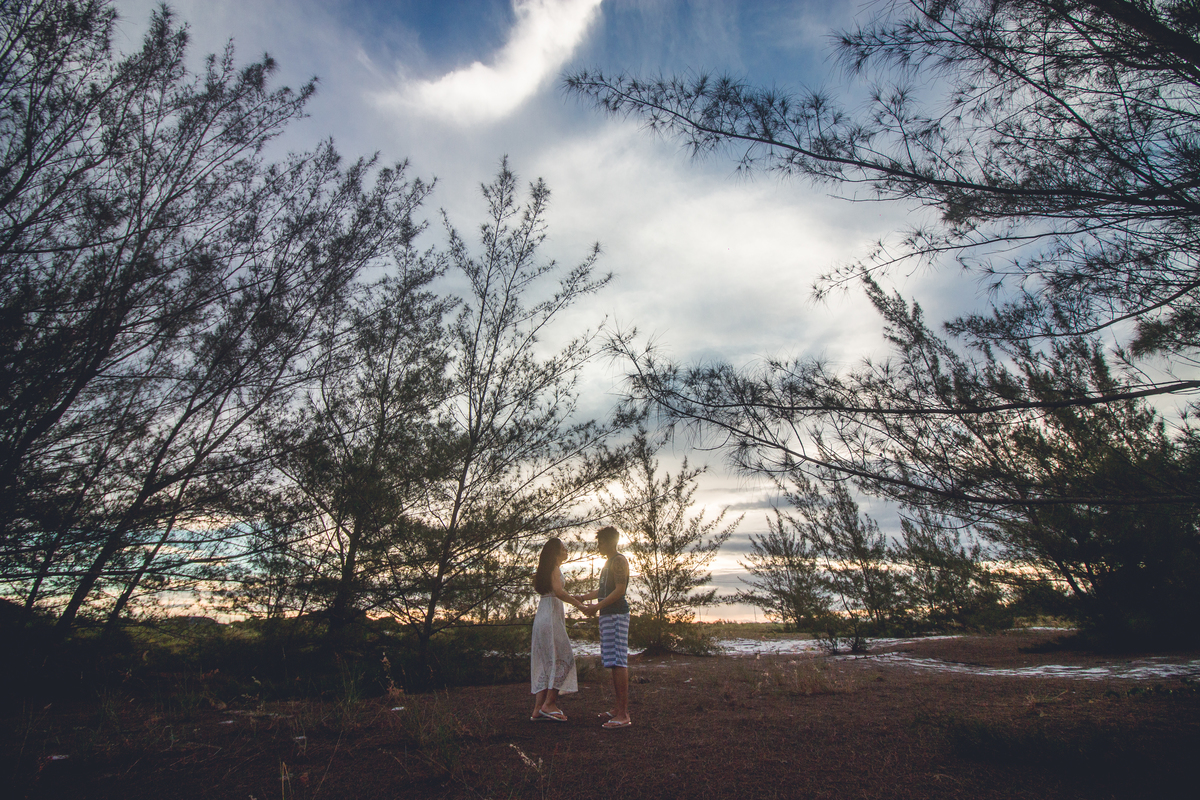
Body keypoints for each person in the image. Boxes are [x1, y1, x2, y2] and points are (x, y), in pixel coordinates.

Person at [577, 525, 632, 729]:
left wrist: (597, 607)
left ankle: (624, 714)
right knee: (612, 661)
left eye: (601, 542)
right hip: (608, 615)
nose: (598, 546)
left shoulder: (619, 561)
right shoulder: (608, 563)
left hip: (617, 614)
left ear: (610, 542)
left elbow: (619, 590)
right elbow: (602, 590)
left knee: (619, 661)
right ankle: (617, 709)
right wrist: (582, 597)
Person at [530, 537, 586, 722]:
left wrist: (576, 597)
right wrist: (578, 604)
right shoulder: (554, 569)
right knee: (564, 657)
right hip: (551, 616)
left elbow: (556, 591)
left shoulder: (547, 571)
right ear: (555, 553)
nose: (566, 550)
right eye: (562, 548)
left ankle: (538, 708)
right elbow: (559, 592)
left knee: (547, 660)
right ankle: (549, 703)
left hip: (543, 615)